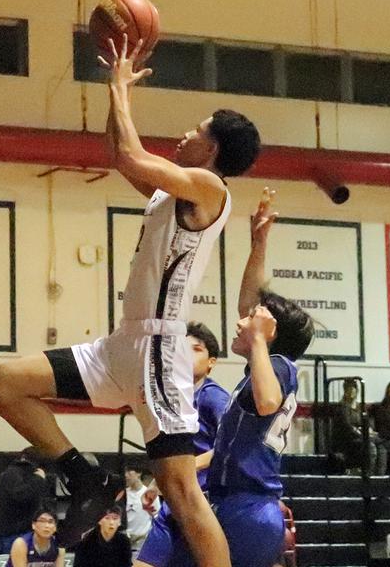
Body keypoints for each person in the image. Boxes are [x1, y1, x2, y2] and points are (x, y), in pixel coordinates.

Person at [0, 33, 260, 563]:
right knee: (5, 383)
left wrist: (116, 86)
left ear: (213, 149)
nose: (184, 134)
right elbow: (122, 155)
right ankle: (86, 477)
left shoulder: (210, 188)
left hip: (158, 350)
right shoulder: (175, 191)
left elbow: (134, 154)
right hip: (121, 346)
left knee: (180, 492)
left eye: (196, 130)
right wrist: (120, 96)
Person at [154, 188, 314, 567]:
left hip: (248, 507)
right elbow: (248, 299)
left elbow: (267, 403)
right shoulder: (268, 364)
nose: (242, 320)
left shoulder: (278, 366)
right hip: (239, 505)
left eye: (254, 320)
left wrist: (257, 337)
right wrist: (258, 242)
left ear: (269, 333)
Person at [136, 322, 230, 563]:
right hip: (179, 499)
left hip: (204, 502)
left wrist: (188, 468)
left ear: (212, 362)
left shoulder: (213, 396)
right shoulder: (176, 399)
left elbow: (230, 446)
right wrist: (158, 484)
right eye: (182, 349)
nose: (187, 355)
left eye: (196, 349)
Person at [0, 447, 54, 554]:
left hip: (14, 532)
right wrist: (39, 479)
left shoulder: (11, 473)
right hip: (16, 533)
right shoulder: (27, 475)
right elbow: (22, 496)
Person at [329, 378, 375, 474]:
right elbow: (347, 426)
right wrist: (361, 432)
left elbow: (367, 421)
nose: (351, 392)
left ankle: (379, 474)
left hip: (360, 437)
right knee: (370, 446)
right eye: (348, 389)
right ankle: (368, 474)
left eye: (353, 389)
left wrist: (369, 429)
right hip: (346, 441)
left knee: (381, 445)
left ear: (357, 391)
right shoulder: (342, 407)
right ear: (344, 391)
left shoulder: (360, 407)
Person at [124, 465, 158, 551]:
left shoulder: (149, 494)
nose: (126, 475)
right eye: (125, 472)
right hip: (124, 543)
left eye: (129, 471)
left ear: (138, 473)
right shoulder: (123, 494)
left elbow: (156, 517)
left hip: (142, 544)